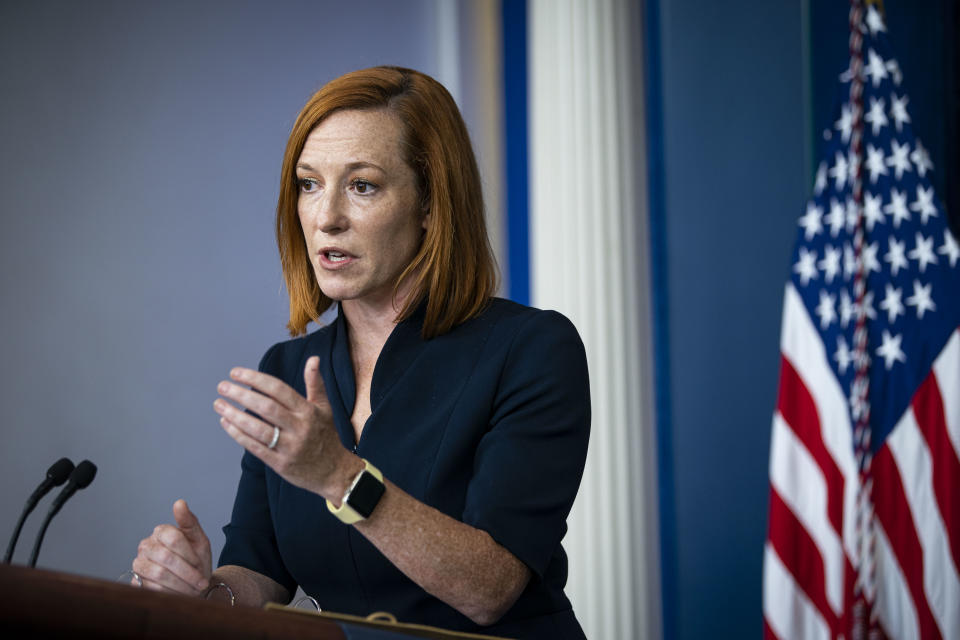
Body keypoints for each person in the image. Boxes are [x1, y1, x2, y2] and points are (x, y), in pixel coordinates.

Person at [132, 66, 590, 639]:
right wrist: (202, 591)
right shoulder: (288, 369)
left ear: (431, 205)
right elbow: (258, 570)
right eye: (309, 184)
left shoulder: (532, 349)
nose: (326, 218)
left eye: (362, 185)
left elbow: (489, 589)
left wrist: (341, 478)